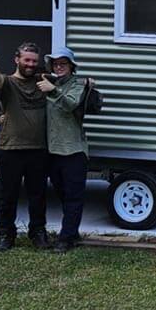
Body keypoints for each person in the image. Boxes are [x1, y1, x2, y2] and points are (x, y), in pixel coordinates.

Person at [0, 40, 50, 252]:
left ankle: (38, 233)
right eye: (26, 60)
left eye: (34, 61)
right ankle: (6, 235)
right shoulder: (8, 84)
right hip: (10, 149)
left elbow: (68, 81)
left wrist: (88, 81)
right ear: (17, 60)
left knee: (38, 196)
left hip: (38, 149)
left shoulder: (44, 82)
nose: (30, 64)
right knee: (8, 195)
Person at [40, 47, 90, 253]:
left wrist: (52, 90)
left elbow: (70, 104)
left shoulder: (77, 85)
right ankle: (73, 232)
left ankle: (65, 238)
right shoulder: (47, 83)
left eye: (63, 63)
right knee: (61, 193)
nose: (59, 67)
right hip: (52, 150)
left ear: (71, 66)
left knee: (73, 196)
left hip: (73, 151)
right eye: (55, 64)